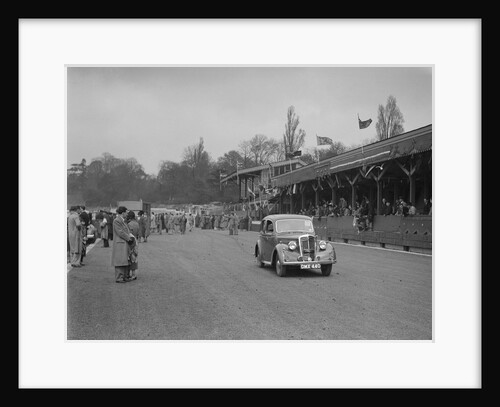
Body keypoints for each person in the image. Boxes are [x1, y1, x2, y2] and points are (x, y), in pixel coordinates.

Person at [112, 206, 134, 283]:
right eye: (126, 212)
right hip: (120, 243)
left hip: (124, 242)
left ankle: (124, 276)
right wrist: (128, 238)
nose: (127, 214)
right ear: (123, 212)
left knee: (124, 260)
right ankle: (119, 277)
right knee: (120, 261)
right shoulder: (117, 221)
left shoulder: (122, 220)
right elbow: (120, 232)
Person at [126, 210, 140, 281]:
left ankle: (131, 274)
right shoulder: (137, 224)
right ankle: (134, 273)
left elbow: (129, 234)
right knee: (134, 258)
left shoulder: (129, 224)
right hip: (136, 241)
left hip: (131, 241)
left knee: (130, 257)